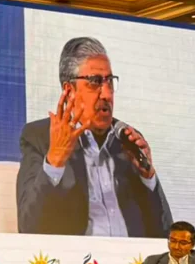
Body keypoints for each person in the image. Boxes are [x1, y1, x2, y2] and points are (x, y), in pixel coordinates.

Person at [16, 37, 171, 237]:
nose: (106, 94)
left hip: (131, 257)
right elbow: (28, 228)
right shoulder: (39, 137)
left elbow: (166, 233)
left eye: (109, 82)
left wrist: (148, 178)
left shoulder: (127, 141)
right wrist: (55, 160)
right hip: (79, 256)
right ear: (69, 91)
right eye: (95, 82)